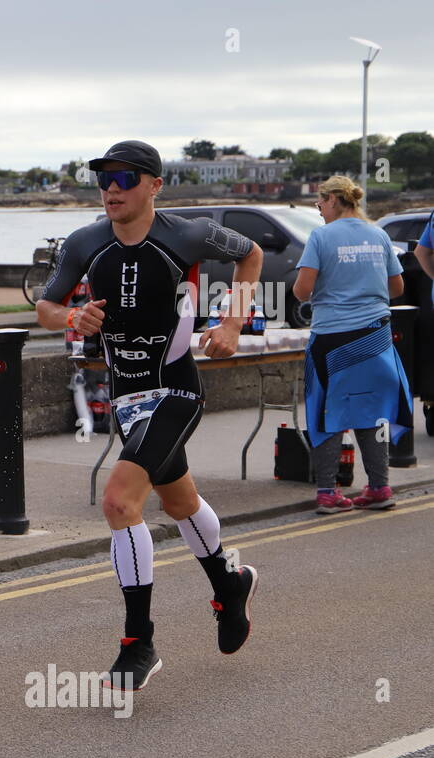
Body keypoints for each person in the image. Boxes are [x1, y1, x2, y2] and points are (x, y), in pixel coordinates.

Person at [36, 140, 264, 693]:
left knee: (119, 501)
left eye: (126, 178)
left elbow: (251, 254)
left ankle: (139, 642)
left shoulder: (187, 233)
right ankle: (229, 586)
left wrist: (233, 322)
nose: (112, 188)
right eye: (104, 179)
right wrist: (72, 315)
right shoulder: (84, 242)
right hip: (126, 398)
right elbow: (45, 308)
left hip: (176, 392)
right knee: (181, 501)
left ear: (155, 185)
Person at [292, 175, 408, 514]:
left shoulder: (322, 237)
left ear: (332, 200)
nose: (318, 208)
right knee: (372, 410)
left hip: (332, 337)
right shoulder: (379, 235)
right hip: (376, 336)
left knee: (327, 410)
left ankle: (328, 491)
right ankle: (379, 487)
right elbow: (397, 287)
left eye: (320, 202)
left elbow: (301, 290)